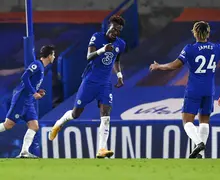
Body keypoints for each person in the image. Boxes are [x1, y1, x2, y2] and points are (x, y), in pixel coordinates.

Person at [149, 21, 220, 158]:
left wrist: (159, 66)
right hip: (209, 90)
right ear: (208, 33)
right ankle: (200, 154)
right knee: (204, 121)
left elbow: (175, 65)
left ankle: (198, 143)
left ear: (195, 33)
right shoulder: (217, 48)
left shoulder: (190, 49)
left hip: (194, 89)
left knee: (187, 120)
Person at [49, 15, 126, 159]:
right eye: (114, 29)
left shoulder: (121, 44)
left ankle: (101, 149)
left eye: (119, 30)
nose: (116, 32)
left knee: (106, 115)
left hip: (105, 84)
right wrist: (102, 50)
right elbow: (89, 56)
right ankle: (58, 124)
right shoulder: (97, 37)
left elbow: (117, 60)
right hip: (90, 81)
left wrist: (120, 75)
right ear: (108, 26)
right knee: (76, 113)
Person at [0, 45, 55, 158]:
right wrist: (34, 93)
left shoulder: (42, 68)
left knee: (34, 126)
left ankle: (24, 152)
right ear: (49, 56)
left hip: (28, 101)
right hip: (21, 99)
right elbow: (25, 77)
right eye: (53, 54)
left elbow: (31, 82)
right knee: (8, 125)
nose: (54, 57)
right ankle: (24, 152)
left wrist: (37, 91)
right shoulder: (37, 64)